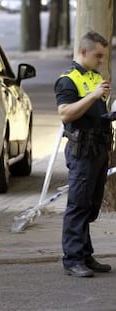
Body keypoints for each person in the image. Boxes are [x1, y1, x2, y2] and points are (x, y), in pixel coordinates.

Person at [54, 31, 112, 278]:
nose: (101, 60)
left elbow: (93, 112)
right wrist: (94, 95)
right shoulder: (68, 80)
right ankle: (73, 259)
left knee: (91, 206)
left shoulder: (94, 76)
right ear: (84, 52)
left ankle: (85, 254)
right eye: (98, 55)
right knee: (78, 206)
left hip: (98, 150)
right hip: (82, 152)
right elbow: (66, 113)